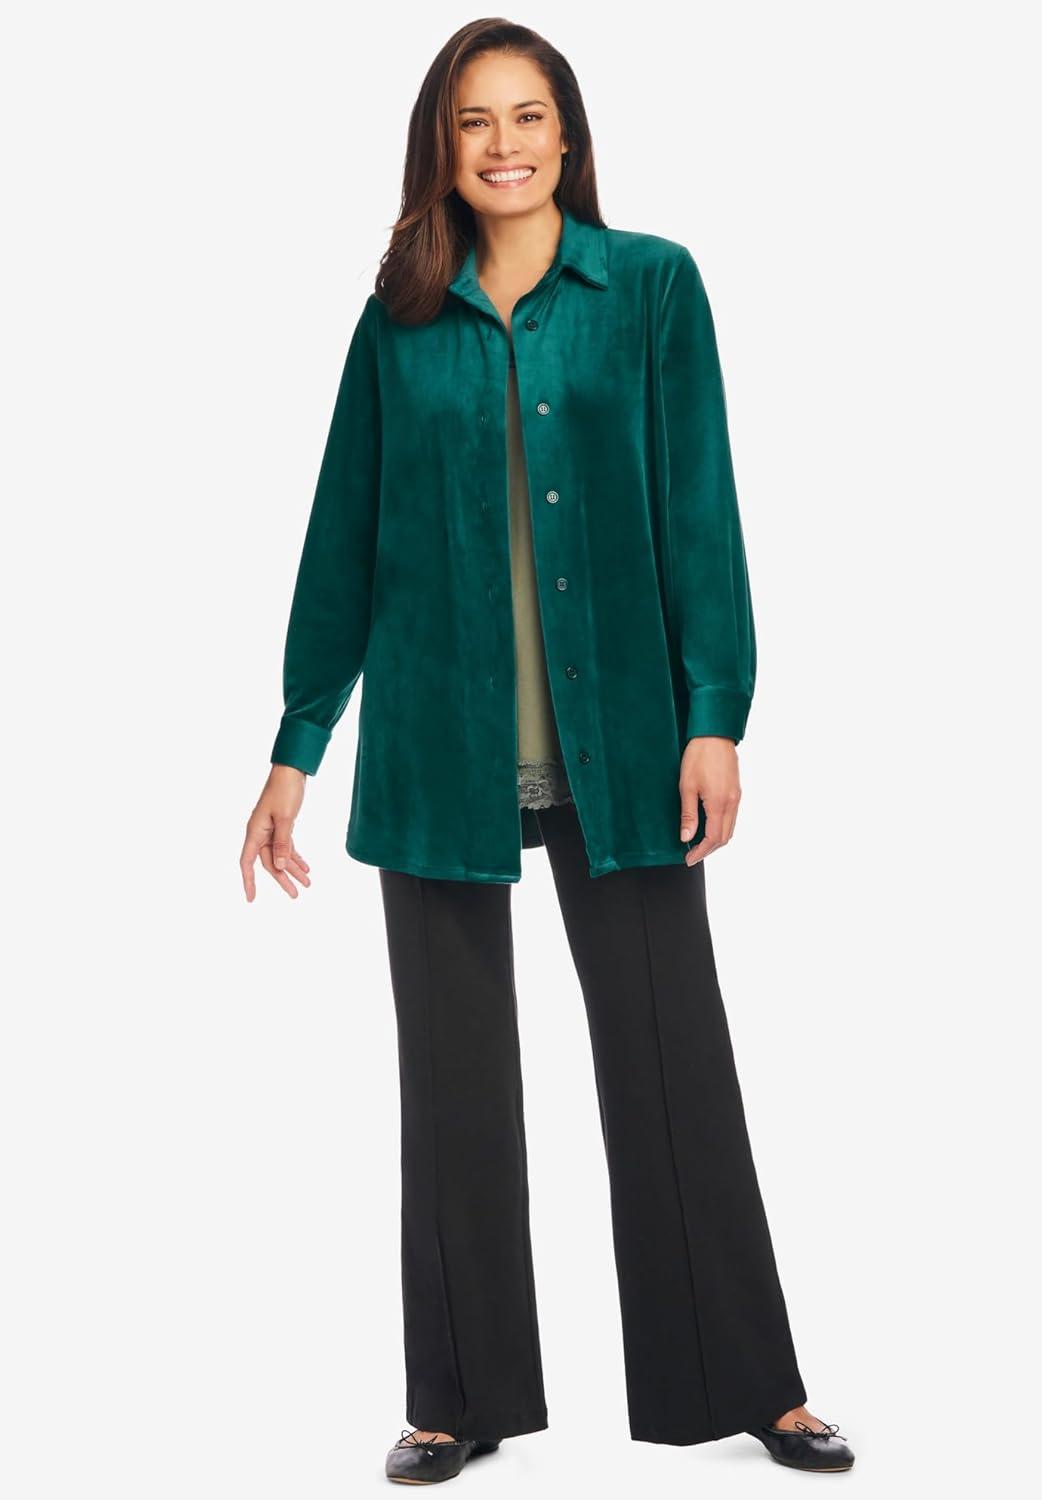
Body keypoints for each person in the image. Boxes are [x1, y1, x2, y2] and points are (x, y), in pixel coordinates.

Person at [240, 17, 856, 1485]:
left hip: (624, 740)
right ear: (440, 148)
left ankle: (750, 1384)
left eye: (527, 116)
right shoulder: (398, 316)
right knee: (453, 1083)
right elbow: (342, 539)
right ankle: (457, 1399)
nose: (503, 144)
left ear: (567, 135)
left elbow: (701, 509)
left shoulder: (650, 286)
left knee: (671, 1059)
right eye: (474, 122)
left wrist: (716, 716)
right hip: (437, 745)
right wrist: (295, 746)